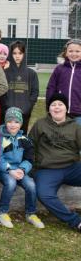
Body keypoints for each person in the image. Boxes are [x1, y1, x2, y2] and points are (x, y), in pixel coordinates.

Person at [29, 93, 81, 232]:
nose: (57, 107)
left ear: (66, 108)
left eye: (60, 105)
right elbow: (29, 146)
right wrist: (32, 168)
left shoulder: (75, 127)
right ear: (49, 109)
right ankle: (76, 221)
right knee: (44, 194)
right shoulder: (40, 124)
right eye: (53, 105)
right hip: (48, 169)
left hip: (72, 167)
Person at [0, 107, 44, 229]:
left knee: (31, 185)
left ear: (21, 124)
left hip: (19, 170)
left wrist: (22, 169)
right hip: (3, 170)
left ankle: (31, 213)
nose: (13, 125)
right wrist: (9, 170)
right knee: (11, 183)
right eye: (10, 121)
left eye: (16, 122)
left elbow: (30, 158)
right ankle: (2, 212)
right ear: (5, 122)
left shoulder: (24, 139)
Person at [0, 41, 39, 133]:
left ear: (24, 54)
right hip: (7, 112)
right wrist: (7, 107)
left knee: (22, 137)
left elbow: (35, 92)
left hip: (24, 113)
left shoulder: (31, 73)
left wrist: (28, 107)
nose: (17, 56)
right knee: (6, 138)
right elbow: (2, 92)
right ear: (10, 54)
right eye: (14, 53)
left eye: (20, 53)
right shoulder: (4, 73)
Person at [46, 39, 81, 124]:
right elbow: (51, 88)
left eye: (77, 51)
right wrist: (50, 106)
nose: (74, 54)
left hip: (79, 114)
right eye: (70, 51)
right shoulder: (59, 69)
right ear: (66, 52)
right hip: (61, 113)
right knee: (62, 136)